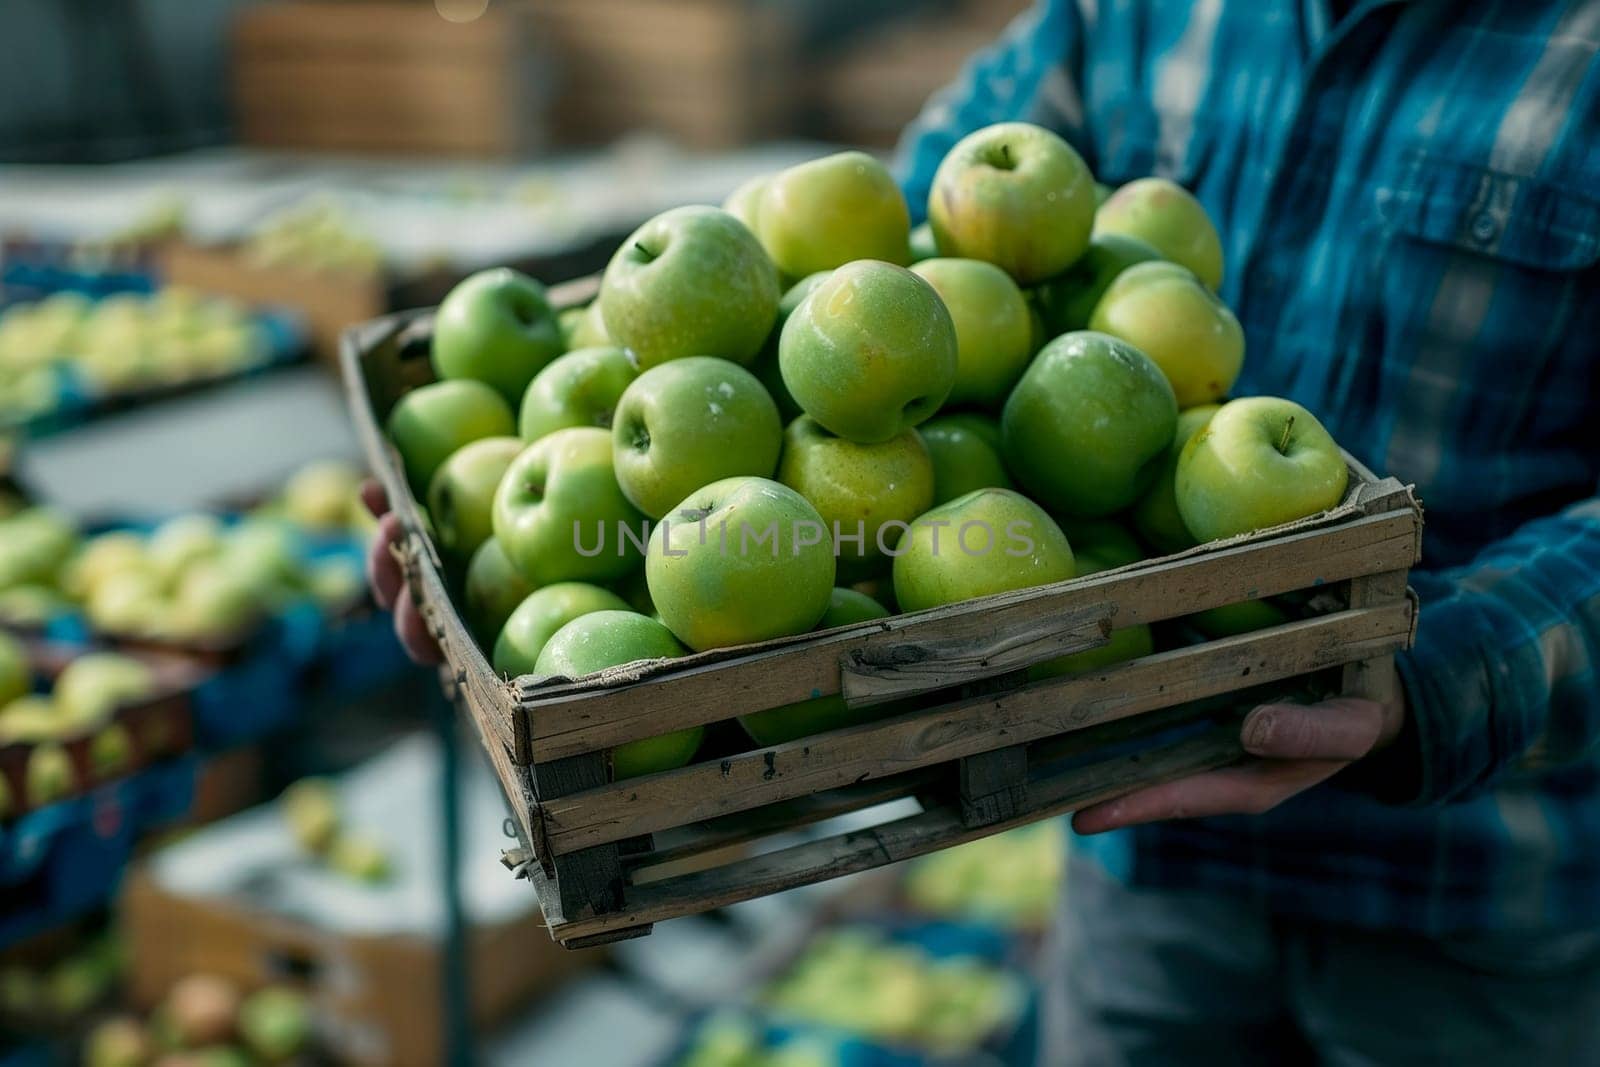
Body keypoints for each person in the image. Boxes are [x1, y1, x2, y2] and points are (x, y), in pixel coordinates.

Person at [366, 2, 1600, 1061]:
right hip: (1141, 848)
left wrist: (1438, 669)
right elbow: (886, 246)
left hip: (1472, 890)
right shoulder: (1133, 11)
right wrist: (476, 559)